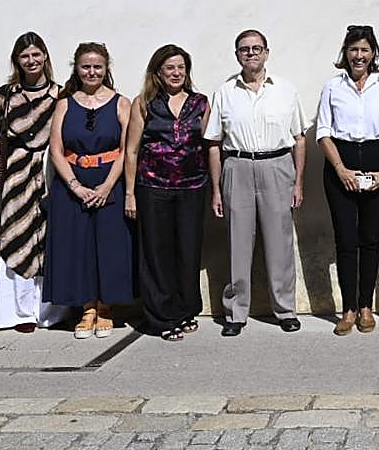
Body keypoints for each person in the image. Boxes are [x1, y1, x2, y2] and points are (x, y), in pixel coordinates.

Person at [204, 29, 306, 337]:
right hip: (237, 165)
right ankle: (236, 312)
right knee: (238, 242)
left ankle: (285, 309)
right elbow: (213, 142)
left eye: (257, 48)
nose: (251, 53)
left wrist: (298, 181)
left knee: (280, 243)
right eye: (245, 49)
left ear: (266, 52)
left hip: (277, 165)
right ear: (237, 55)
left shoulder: (285, 90)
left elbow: (300, 138)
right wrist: (217, 188)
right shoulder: (225, 92)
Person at [43, 43, 135, 339]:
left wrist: (108, 185)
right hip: (72, 183)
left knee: (110, 245)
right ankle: (86, 308)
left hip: (111, 180)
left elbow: (127, 148)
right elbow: (56, 149)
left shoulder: (122, 103)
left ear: (107, 69)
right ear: (77, 69)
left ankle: (106, 307)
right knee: (77, 246)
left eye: (97, 66)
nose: (92, 72)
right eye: (86, 66)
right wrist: (75, 186)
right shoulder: (65, 103)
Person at [123, 45, 211, 341]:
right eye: (169, 68)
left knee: (187, 251)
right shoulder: (144, 103)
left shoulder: (201, 103)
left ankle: (185, 310)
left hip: (192, 187)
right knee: (157, 254)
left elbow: (208, 145)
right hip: (153, 187)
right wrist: (130, 194)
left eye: (180, 68)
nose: (175, 73)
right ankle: (161, 317)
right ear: (158, 72)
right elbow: (132, 151)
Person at [316, 26, 379, 336]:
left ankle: (366, 306)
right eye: (353, 50)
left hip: (377, 161)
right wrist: (341, 170)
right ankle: (348, 308)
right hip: (342, 162)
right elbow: (323, 132)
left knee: (370, 239)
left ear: (373, 53)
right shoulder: (333, 87)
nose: (358, 56)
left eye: (364, 50)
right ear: (345, 53)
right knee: (346, 240)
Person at [0, 32, 68, 333]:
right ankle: (20, 312)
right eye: (25, 56)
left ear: (45, 57)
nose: (31, 60)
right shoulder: (5, 95)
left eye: (36, 54)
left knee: (51, 236)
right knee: (17, 233)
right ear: (17, 61)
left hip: (52, 168)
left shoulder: (60, 94)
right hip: (17, 172)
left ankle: (50, 311)